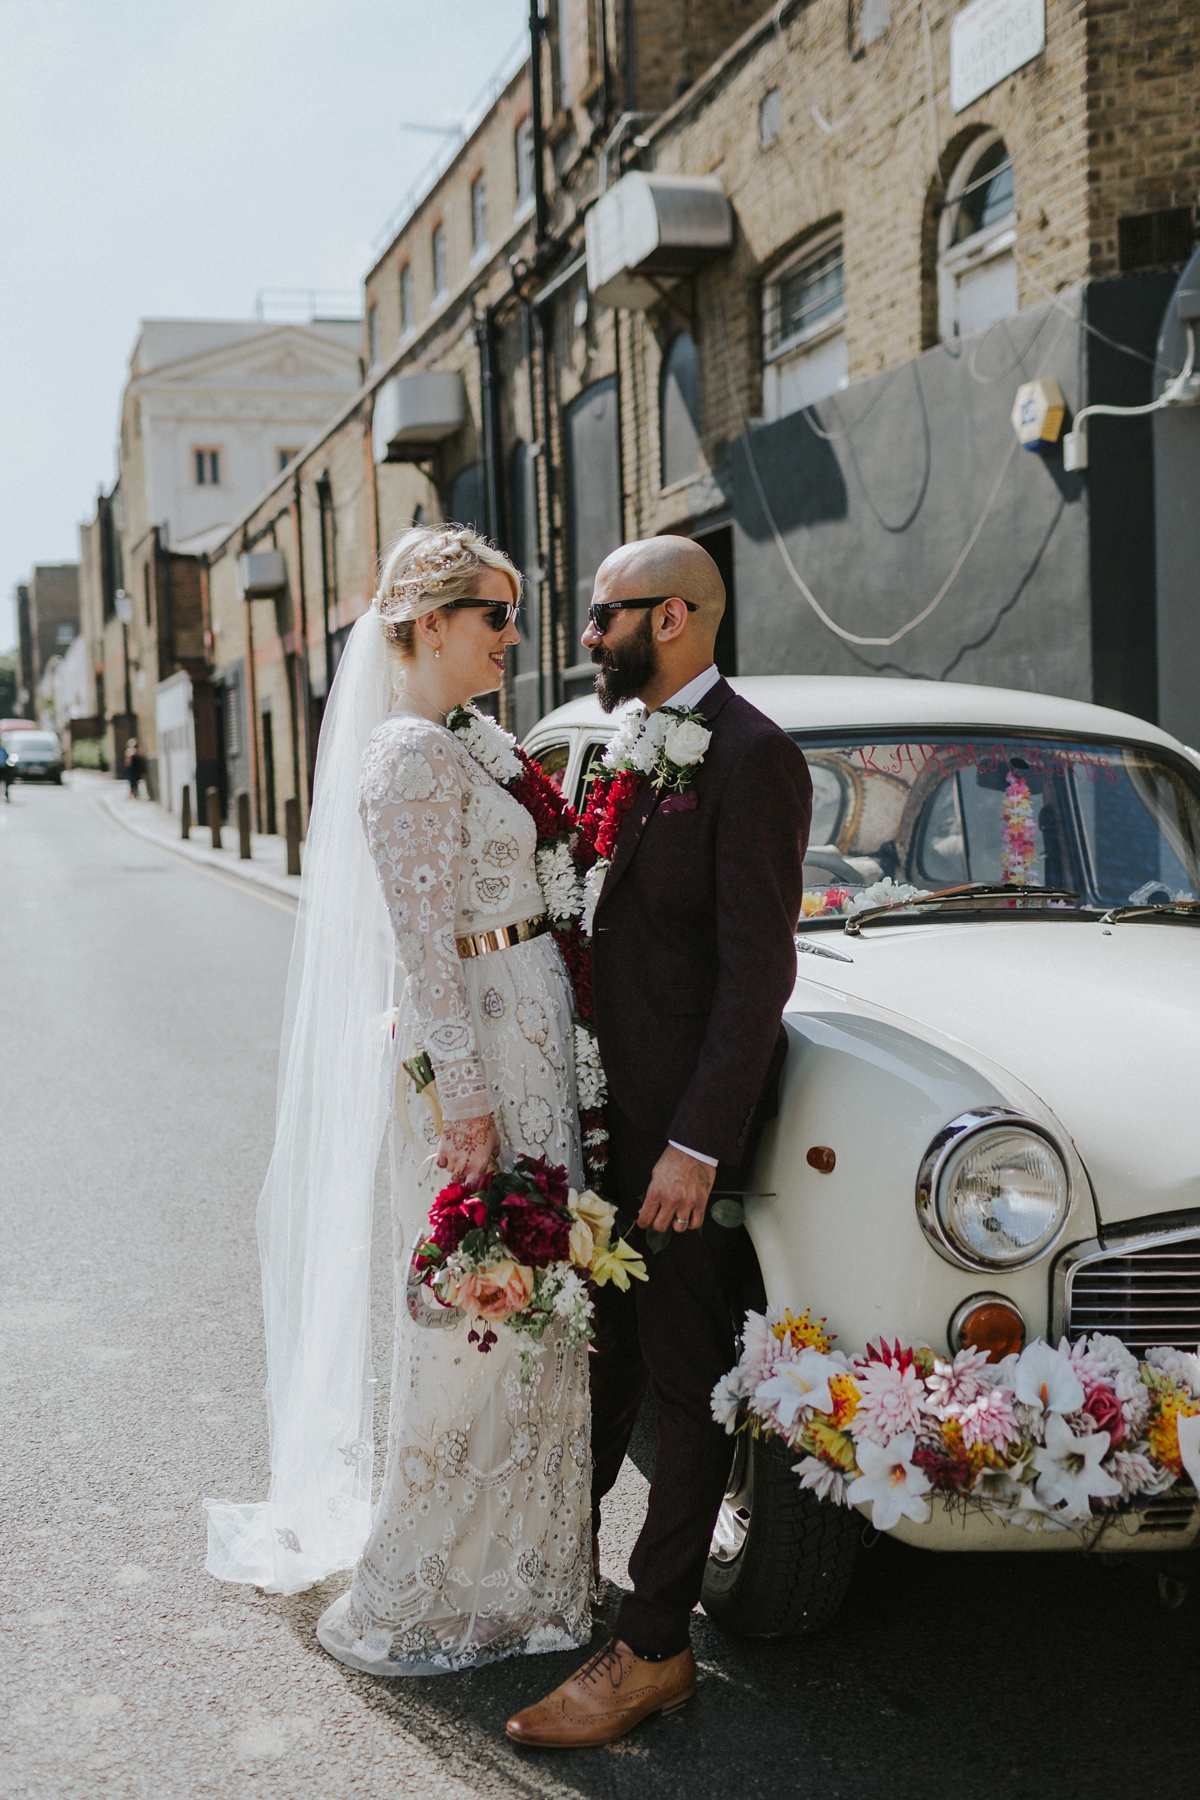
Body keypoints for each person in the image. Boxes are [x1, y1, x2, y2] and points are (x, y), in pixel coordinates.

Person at [205, 525, 592, 1675]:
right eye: (495, 615)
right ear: (428, 625)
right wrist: (466, 1105)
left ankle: (523, 1571)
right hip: (475, 1050)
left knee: (538, 1306)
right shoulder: (409, 758)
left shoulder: (470, 739)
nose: (513, 636)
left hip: (530, 1035)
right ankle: (430, 1583)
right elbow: (425, 953)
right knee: (479, 1313)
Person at [506, 536, 812, 1748]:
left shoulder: (751, 757)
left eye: (603, 616)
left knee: (684, 1385)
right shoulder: (629, 738)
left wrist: (694, 1145)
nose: (587, 637)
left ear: (674, 616)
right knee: (607, 1359)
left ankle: (653, 1648)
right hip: (606, 1121)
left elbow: (757, 977)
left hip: (680, 1141)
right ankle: (555, 1579)